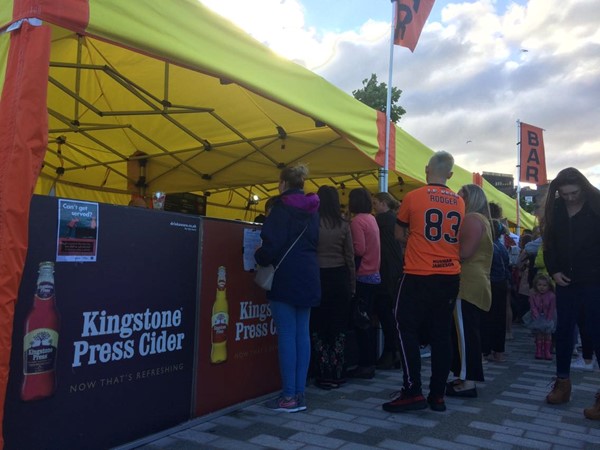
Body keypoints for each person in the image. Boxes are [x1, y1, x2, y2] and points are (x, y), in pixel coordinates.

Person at [382, 151, 464, 413]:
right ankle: (437, 395)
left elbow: (398, 232)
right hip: (449, 274)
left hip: (418, 273)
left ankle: (412, 389)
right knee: (442, 334)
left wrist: (415, 240)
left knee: (405, 328)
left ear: (427, 169)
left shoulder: (414, 197)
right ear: (450, 174)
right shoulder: (460, 202)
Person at [255, 164, 320, 413]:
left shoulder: (280, 209)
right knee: (302, 334)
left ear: (283, 184)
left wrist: (258, 256)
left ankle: (289, 397)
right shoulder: (314, 210)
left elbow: (270, 245)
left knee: (286, 333)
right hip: (308, 274)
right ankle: (300, 393)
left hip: (285, 275)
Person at [542, 168, 600, 422]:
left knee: (597, 334)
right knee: (563, 332)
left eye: (574, 193)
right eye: (564, 194)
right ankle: (562, 383)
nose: (570, 198)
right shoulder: (555, 209)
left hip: (595, 282)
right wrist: (553, 271)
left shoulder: (597, 205)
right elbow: (549, 243)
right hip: (565, 283)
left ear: (584, 188)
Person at [446, 184, 493, 399]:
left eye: (460, 195)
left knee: (465, 335)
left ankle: (468, 381)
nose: (456, 198)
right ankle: (464, 376)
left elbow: (463, 253)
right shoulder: (481, 219)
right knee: (464, 333)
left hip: (468, 284)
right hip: (474, 282)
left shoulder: (472, 219)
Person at [311, 186, 355, 389]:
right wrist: (352, 284)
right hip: (339, 278)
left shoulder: (312, 222)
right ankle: (337, 372)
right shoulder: (344, 225)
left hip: (317, 277)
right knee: (338, 329)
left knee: (319, 327)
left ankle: (321, 373)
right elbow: (350, 257)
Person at [346, 188, 381, 379]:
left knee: (361, 321)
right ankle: (369, 362)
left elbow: (359, 249)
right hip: (374, 273)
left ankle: (365, 364)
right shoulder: (371, 218)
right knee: (367, 320)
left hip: (362, 275)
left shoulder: (358, 221)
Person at [372, 192, 404, 370]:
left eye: (375, 203)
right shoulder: (394, 219)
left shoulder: (381, 220)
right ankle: (394, 351)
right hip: (395, 270)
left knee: (385, 313)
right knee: (390, 314)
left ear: (384, 203)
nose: (374, 207)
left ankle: (392, 351)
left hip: (385, 271)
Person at [481, 219, 511, 363]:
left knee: (486, 318)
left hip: (490, 283)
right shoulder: (502, 246)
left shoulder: (489, 246)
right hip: (502, 283)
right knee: (499, 319)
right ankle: (499, 352)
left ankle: (485, 350)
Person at [525, 273, 556, 360]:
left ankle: (547, 351)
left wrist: (549, 319)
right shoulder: (533, 294)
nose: (542, 287)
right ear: (535, 285)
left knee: (548, 333)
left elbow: (552, 308)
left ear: (549, 286)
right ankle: (538, 350)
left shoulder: (552, 296)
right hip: (537, 316)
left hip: (548, 317)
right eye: (539, 285)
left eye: (544, 285)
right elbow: (532, 306)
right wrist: (536, 316)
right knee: (539, 333)